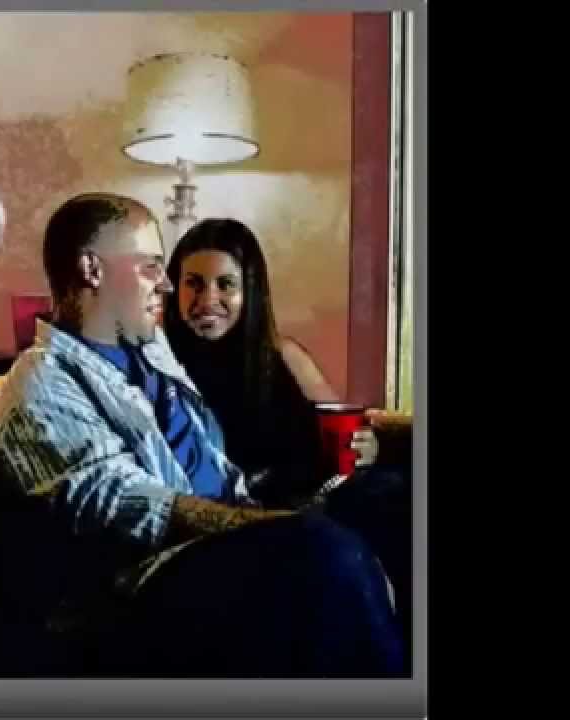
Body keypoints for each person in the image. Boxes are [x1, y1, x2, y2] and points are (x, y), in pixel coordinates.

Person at [0, 193, 404, 677]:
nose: (165, 284)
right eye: (150, 266)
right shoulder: (41, 381)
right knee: (323, 551)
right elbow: (127, 506)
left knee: (392, 500)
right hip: (148, 581)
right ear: (91, 269)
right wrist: (268, 525)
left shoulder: (152, 351)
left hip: (233, 534)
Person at [161, 216, 412, 632]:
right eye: (194, 283)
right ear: (174, 288)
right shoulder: (162, 368)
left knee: (395, 491)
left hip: (328, 496)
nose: (208, 299)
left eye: (226, 285)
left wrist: (367, 446)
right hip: (259, 519)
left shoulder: (283, 355)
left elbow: (343, 424)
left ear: (250, 291)